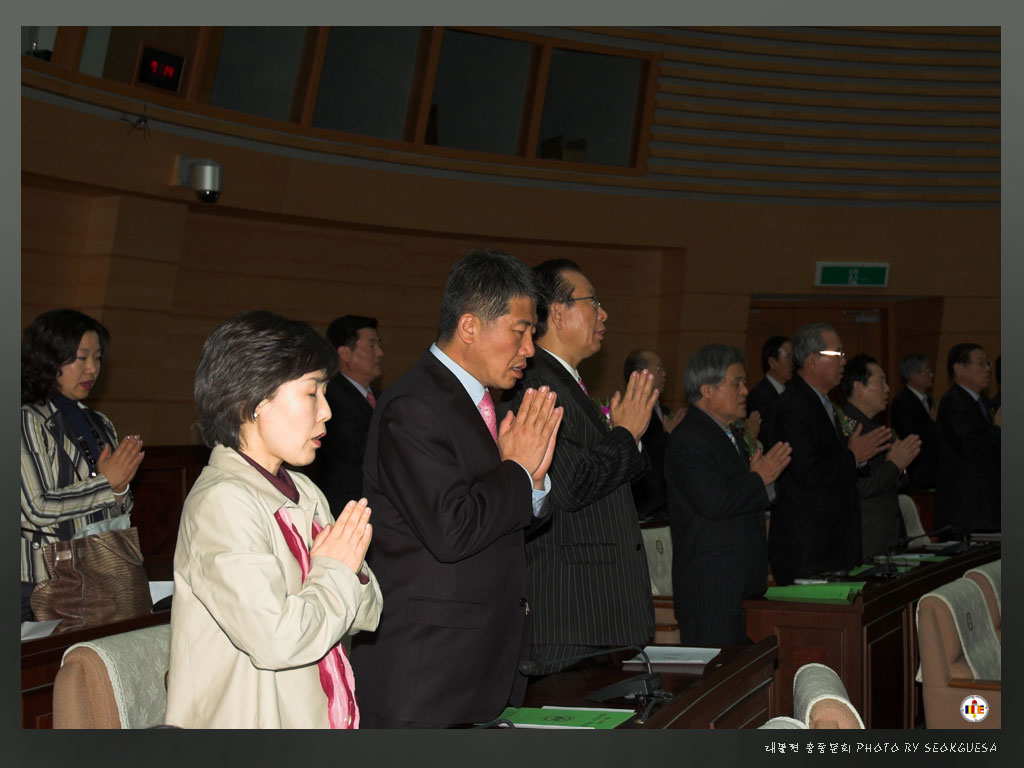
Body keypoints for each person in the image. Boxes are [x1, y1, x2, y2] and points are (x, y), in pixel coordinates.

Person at [350, 249, 563, 728]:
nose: (530, 348)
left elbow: (504, 518)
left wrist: (532, 482)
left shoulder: (483, 403)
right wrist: (517, 471)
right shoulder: (414, 405)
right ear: (469, 327)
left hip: (477, 662)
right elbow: (453, 529)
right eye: (521, 330)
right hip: (427, 673)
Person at [165, 310, 382, 729]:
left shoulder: (306, 492)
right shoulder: (222, 502)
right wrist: (335, 569)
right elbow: (279, 640)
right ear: (254, 400)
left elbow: (368, 612)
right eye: (312, 394)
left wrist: (336, 575)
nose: (327, 413)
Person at [510, 259, 656, 669]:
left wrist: (629, 437)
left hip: (597, 612)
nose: (603, 313)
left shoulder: (564, 380)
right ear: (557, 312)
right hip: (574, 614)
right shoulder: (537, 381)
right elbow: (572, 484)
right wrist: (625, 434)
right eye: (594, 302)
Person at [20, 309, 145, 621]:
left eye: (98, 358)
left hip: (97, 575)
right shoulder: (26, 419)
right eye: (80, 357)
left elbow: (121, 505)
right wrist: (107, 484)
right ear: (49, 359)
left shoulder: (99, 422)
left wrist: (119, 489)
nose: (92, 368)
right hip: (40, 581)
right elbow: (38, 507)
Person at [666, 344, 791, 646]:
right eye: (737, 383)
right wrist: (760, 479)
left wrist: (764, 481)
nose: (746, 390)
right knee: (718, 684)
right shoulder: (689, 438)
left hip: (741, 584)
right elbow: (714, 501)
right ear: (707, 390)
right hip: (713, 592)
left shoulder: (730, 433)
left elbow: (746, 491)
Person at [766, 322, 890, 585]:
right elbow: (806, 473)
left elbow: (835, 464)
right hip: (809, 546)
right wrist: (852, 457)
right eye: (838, 354)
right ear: (812, 360)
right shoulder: (792, 407)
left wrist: (860, 457)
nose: (844, 361)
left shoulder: (826, 404)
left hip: (835, 543)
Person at [839, 355, 921, 559]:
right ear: (859, 386)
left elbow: (895, 480)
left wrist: (900, 466)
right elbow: (860, 485)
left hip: (887, 536)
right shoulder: (848, 429)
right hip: (867, 539)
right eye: (881, 381)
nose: (887, 389)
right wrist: (894, 464)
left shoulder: (874, 427)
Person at [314, 315, 384, 513]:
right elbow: (353, 448)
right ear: (345, 353)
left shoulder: (381, 396)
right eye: (371, 346)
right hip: (347, 508)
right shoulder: (330, 396)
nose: (380, 353)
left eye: (379, 344)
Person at [934, 343, 1000, 534]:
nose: (988, 369)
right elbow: (969, 446)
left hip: (986, 504)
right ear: (959, 368)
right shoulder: (953, 402)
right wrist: (997, 429)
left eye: (988, 363)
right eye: (981, 364)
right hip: (966, 507)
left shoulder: (984, 402)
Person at [623, 348, 684, 521]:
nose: (665, 374)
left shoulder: (664, 411)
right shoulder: (628, 408)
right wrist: (666, 435)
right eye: (659, 369)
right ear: (639, 374)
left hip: (666, 501)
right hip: (645, 504)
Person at [889, 354, 938, 491]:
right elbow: (909, 433)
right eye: (927, 371)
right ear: (913, 375)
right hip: (916, 470)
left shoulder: (928, 400)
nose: (931, 375)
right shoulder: (902, 401)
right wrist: (933, 423)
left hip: (933, 470)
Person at [746, 335, 793, 423]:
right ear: (772, 362)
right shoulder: (758, 396)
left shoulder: (792, 391)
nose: (792, 363)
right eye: (788, 357)